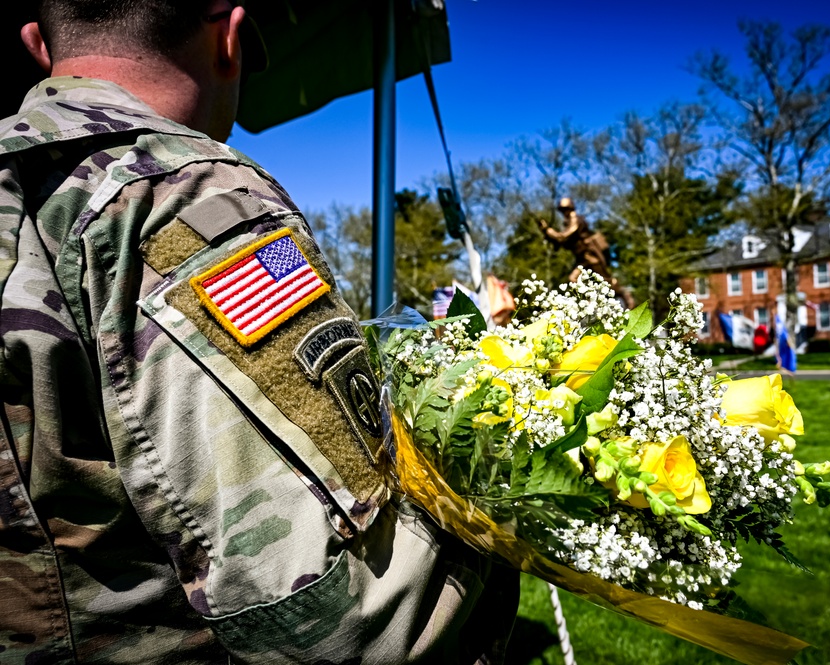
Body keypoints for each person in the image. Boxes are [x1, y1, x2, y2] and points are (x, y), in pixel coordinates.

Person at [0, 1, 516, 662]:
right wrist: (498, 516)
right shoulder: (181, 199)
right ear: (230, 35)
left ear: (39, 45)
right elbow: (352, 615)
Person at [537, 197, 635, 308]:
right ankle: (587, 303)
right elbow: (562, 243)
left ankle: (626, 297)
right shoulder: (568, 222)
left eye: (565, 209)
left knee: (606, 282)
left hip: (590, 256)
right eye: (562, 210)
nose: (564, 212)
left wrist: (548, 230)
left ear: (571, 208)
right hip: (581, 259)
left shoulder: (575, 220)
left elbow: (564, 236)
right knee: (573, 279)